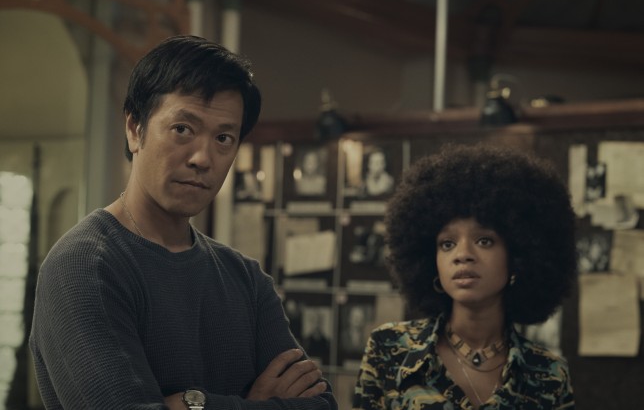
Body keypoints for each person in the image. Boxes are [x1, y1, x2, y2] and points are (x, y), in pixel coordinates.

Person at [29, 35, 337, 410]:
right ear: (134, 128)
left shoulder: (245, 278)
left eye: (223, 138)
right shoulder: (84, 266)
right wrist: (255, 403)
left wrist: (194, 404)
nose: (202, 158)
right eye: (182, 129)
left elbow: (321, 404)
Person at [353, 144, 577, 409]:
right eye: (447, 244)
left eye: (484, 241)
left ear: (519, 255)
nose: (463, 255)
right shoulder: (389, 348)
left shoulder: (549, 375)